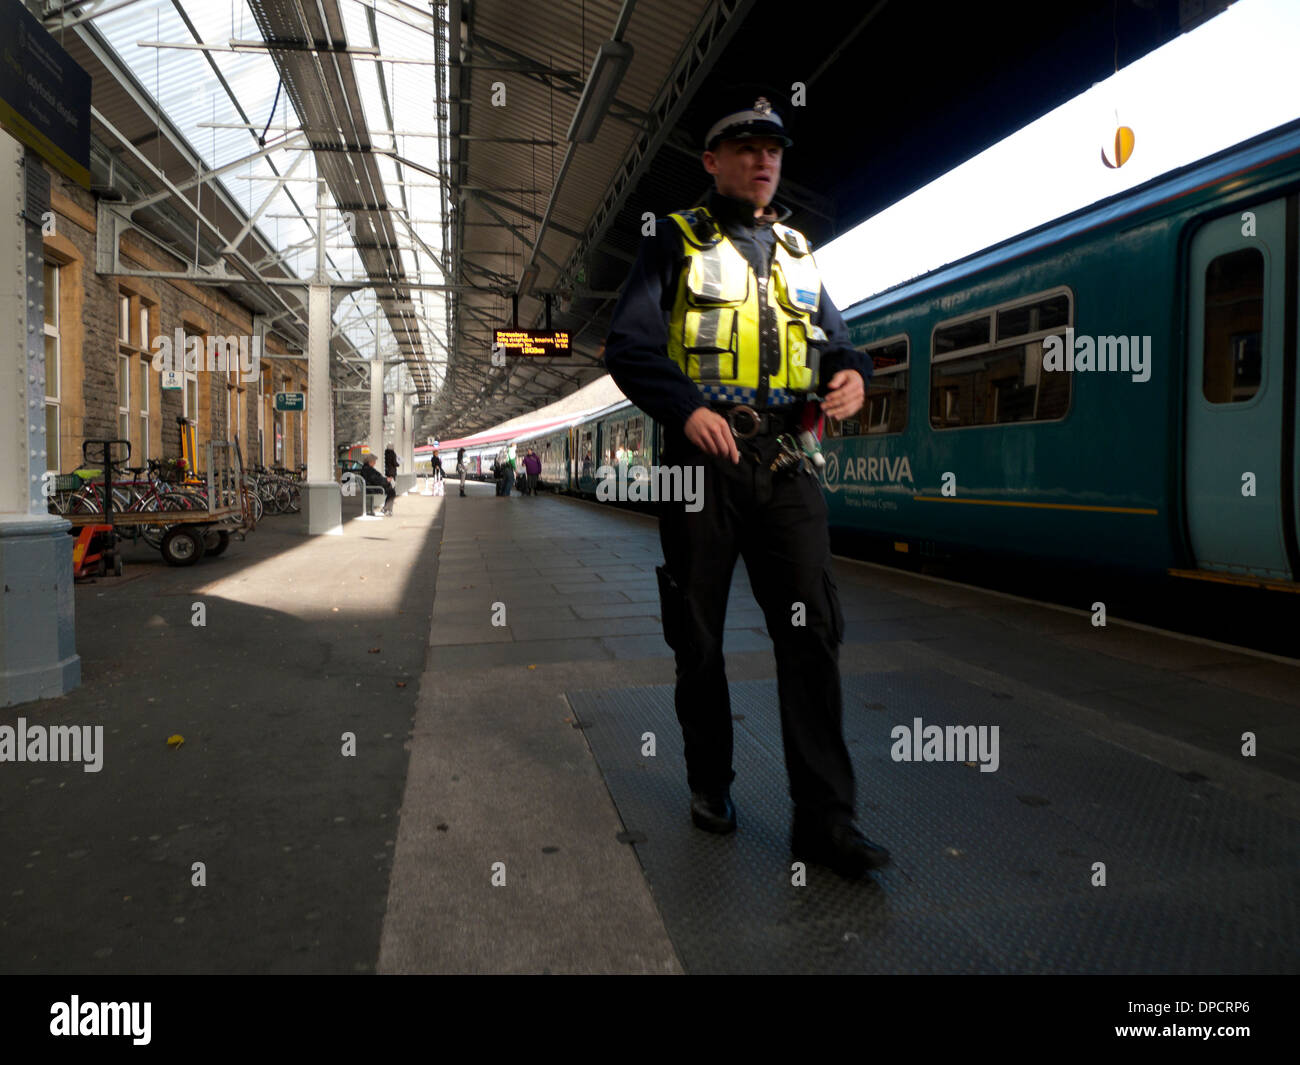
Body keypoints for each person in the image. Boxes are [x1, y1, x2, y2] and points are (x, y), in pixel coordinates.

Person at [603, 91, 887, 879]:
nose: (766, 160)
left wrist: (853, 378)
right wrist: (685, 408)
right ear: (713, 161)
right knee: (698, 633)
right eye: (748, 148)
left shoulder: (798, 251)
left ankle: (826, 824)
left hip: (787, 464)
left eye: (775, 149)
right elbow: (627, 344)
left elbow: (840, 345)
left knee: (813, 635)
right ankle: (710, 782)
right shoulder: (673, 240)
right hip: (703, 468)